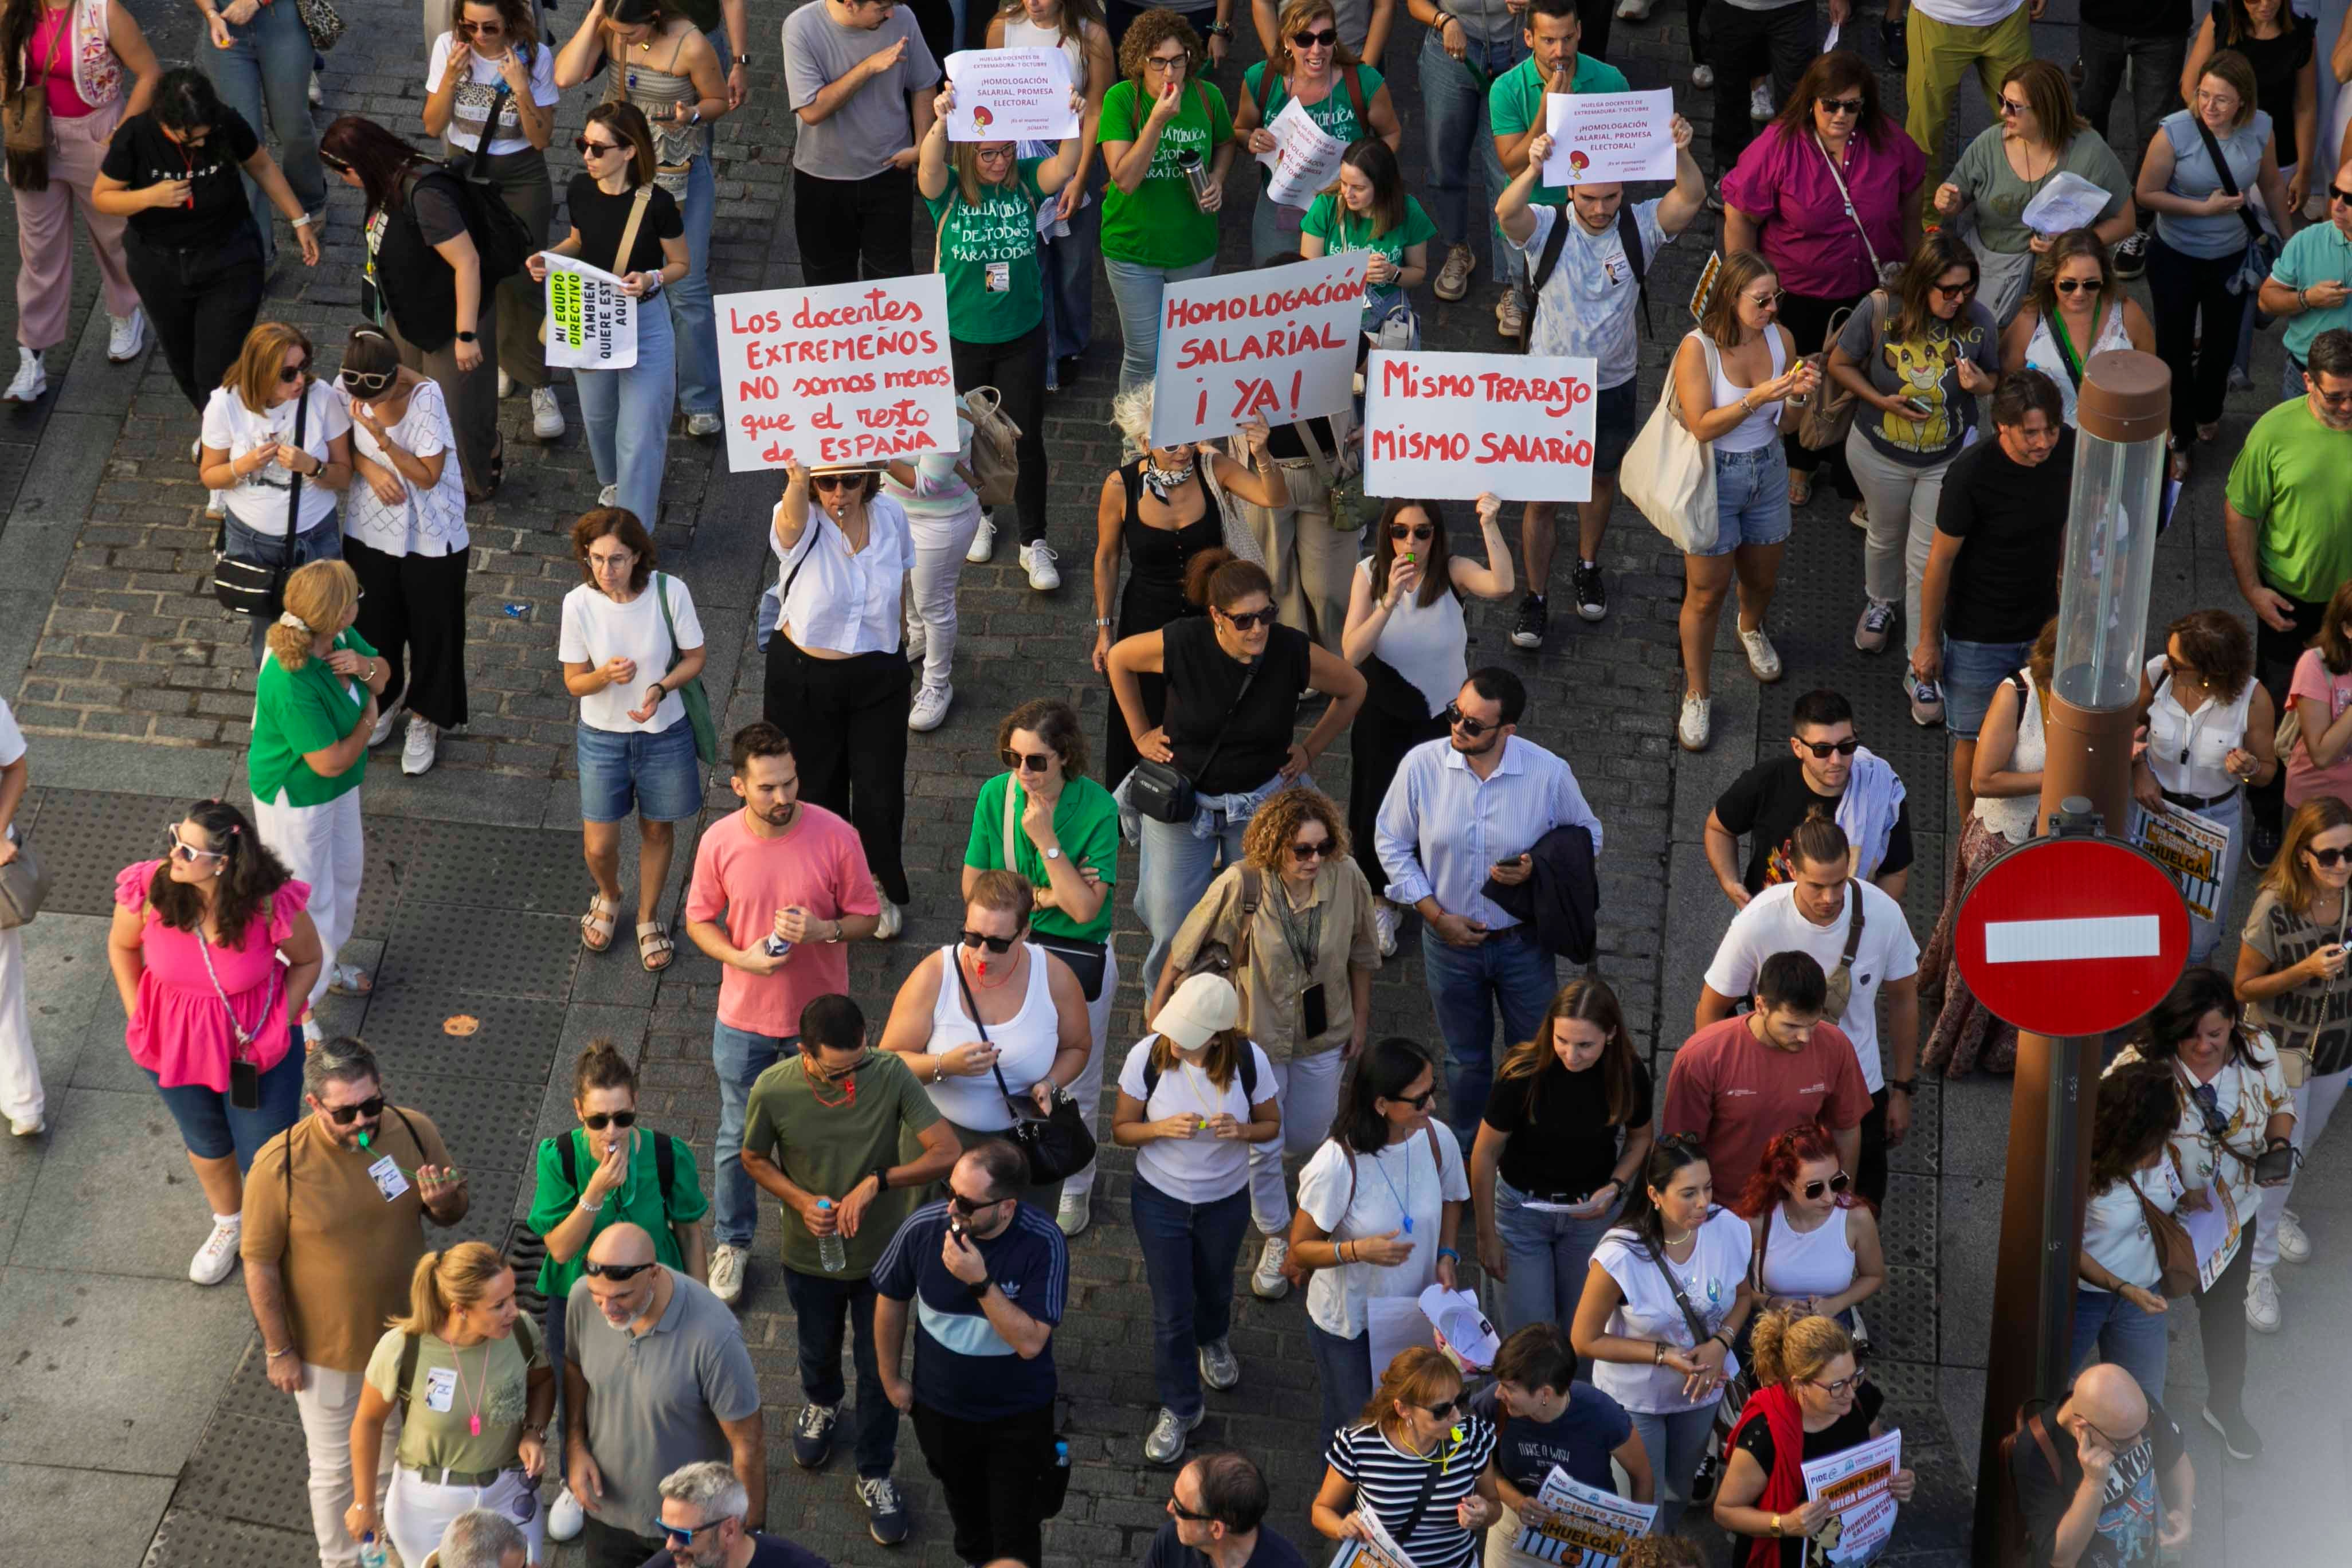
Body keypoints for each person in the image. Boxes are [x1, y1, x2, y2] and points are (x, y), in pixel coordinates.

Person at [242, 1040, 467, 1568]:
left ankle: (384, 1554)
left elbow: (454, 1209)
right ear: (314, 1105)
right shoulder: (280, 1165)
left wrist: (444, 1204)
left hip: (408, 1338)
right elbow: (259, 1263)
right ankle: (341, 1561)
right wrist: (279, 1350)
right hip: (327, 1353)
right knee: (335, 1472)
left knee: (396, 1460)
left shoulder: (412, 1129)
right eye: (345, 1113)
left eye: (371, 1105)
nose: (362, 1121)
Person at [740, 994, 956, 1546]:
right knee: (816, 1347)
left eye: (860, 1059)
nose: (854, 1075)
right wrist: (798, 1200)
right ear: (805, 1054)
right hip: (809, 1255)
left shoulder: (888, 1071)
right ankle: (822, 1401)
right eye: (839, 1069)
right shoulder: (774, 1089)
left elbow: (945, 1152)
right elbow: (753, 1158)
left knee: (880, 1370)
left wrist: (879, 1181)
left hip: (883, 1259)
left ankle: (875, 1470)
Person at [683, 721, 882, 1304]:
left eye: (790, 782)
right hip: (743, 1020)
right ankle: (734, 1242)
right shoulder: (719, 842)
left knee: (821, 1133)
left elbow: (867, 917)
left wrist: (825, 930)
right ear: (738, 786)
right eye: (767, 787)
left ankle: (822, 1226)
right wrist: (740, 957)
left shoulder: (837, 836)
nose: (783, 797)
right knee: (736, 1138)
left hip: (818, 1026)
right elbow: (699, 920)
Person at [1152, 786, 1377, 1295]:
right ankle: (1279, 1235)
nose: (1315, 859)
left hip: (1324, 1033)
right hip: (1255, 1035)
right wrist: (1160, 1009)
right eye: (1303, 850)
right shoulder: (1243, 882)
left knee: (1308, 1136)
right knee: (1263, 1144)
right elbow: (1185, 948)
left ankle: (1287, 1187)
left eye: (1323, 847)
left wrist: (1361, 1023)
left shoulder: (1347, 877)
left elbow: (1363, 954)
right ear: (1276, 847)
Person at [1109, 548, 1367, 990]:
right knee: (1172, 925)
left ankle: (1243, 1010)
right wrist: (1140, 734)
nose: (1258, 628)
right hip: (1184, 803)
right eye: (1244, 620)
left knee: (1259, 922)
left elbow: (1354, 688)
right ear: (1216, 616)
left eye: (1266, 614)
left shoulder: (1290, 649)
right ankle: (1167, 1012)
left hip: (1259, 804)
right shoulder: (1183, 642)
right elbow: (1119, 659)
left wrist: (1309, 750)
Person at [1495, 113, 1706, 644]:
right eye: (1589, 197)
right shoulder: (1548, 226)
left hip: (1613, 384)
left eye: (1611, 197)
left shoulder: (1639, 226)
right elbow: (1506, 213)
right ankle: (1535, 596)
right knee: (1541, 499)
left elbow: (1692, 196)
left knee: (1601, 479)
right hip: (1549, 389)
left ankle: (1588, 566)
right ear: (1569, 189)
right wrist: (1532, 168)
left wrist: (1681, 150)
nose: (1600, 208)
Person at [1375, 666, 1601, 1142]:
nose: (1458, 727)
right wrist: (1434, 915)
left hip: (1523, 942)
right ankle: (1466, 1145)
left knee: (1533, 1052)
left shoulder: (1547, 773)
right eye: (1455, 713)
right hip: (1448, 945)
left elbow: (1588, 836)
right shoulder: (1421, 766)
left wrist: (1536, 867)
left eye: (1474, 724)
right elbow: (1390, 842)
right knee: (1465, 1060)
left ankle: (1523, 1141)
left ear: (1507, 730)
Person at [109, 799, 319, 1280]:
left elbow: (308, 960)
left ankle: (273, 1230)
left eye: (188, 850)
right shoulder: (150, 887)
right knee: (205, 1138)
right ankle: (230, 1223)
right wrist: (139, 1015)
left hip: (255, 1050)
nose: (173, 855)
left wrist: (280, 1022)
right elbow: (122, 947)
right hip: (172, 1047)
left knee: (265, 1150)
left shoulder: (268, 902)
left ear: (223, 863)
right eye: (174, 839)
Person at [2105, 967, 2296, 1460]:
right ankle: (2126, 1418)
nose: (2203, 1045)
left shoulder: (2258, 1048)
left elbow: (2281, 1102)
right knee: (2136, 1322)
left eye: (2215, 1033)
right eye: (2190, 1034)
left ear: (2233, 1021)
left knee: (2226, 1320)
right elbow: (2106, 1140)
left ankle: (2226, 1406)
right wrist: (2167, 1185)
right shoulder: (2139, 1066)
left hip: (2231, 1220)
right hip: (2153, 1226)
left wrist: (2278, 1144)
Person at [1721, 54, 1923, 513]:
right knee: (1801, 381)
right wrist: (1744, 290)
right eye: (1830, 104)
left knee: (1867, 382)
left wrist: (1913, 268)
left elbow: (1913, 192)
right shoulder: (1779, 145)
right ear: (1811, 101)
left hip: (1868, 293)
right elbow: (1740, 213)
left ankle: (1856, 479)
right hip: (1797, 296)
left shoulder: (1888, 141)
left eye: (1852, 106)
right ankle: (1802, 460)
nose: (1840, 115)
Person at [527, 1039, 709, 1543]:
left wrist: (701, 1301)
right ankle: (573, 1476)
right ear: (578, 1111)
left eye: (623, 1118)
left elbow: (689, 1231)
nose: (612, 1131)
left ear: (636, 1106)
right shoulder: (561, 1157)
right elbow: (560, 1248)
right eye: (599, 1120)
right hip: (582, 1298)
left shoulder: (667, 1155)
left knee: (660, 1388)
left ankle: (668, 1478)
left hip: (654, 1294)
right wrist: (595, 1192)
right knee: (577, 1386)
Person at [93, 68, 316, 472]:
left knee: (216, 366)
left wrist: (299, 220)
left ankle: (226, 454)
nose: (200, 145)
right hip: (160, 264)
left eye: (204, 136)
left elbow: (261, 166)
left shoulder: (225, 123)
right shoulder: (136, 136)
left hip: (229, 258)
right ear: (164, 122)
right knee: (183, 362)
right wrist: (150, 196)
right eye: (190, 139)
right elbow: (103, 197)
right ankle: (219, 430)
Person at [1699, 815, 1920, 1207]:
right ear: (1792, 870)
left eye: (1839, 883)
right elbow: (1712, 1010)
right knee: (1768, 1196)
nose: (1830, 898)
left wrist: (1902, 1089)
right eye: (1817, 885)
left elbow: (1904, 999)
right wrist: (1724, 1091)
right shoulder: (1758, 922)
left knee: (1859, 1200)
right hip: (1776, 1085)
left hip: (1859, 1081)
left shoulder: (1884, 915)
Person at [873, 1141, 1071, 1568]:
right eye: (949, 1191)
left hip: (1018, 1417)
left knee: (1016, 1530)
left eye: (965, 1202)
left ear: (1007, 1207)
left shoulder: (1044, 1243)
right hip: (941, 1412)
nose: (951, 1208)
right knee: (967, 1514)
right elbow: (891, 1298)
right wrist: (891, 1381)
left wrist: (980, 1282)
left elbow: (1030, 1342)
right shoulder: (923, 1228)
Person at [916, 80, 1081, 592]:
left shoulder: (1026, 178)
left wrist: (1071, 120)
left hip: (1022, 333)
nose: (1000, 161)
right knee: (970, 438)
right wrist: (941, 122)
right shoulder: (948, 189)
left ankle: (1034, 541)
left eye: (1007, 150)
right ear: (969, 152)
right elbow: (927, 165)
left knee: (1026, 436)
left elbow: (1064, 167)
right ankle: (981, 517)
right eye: (988, 153)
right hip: (962, 335)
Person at [1112, 973, 1282, 1461]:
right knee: (1171, 1310)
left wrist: (1243, 1131)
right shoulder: (1147, 1056)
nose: (1175, 1041)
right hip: (1159, 1201)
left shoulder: (1249, 1061)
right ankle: (1181, 1406)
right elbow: (1122, 1130)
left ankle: (1213, 1339)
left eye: (1188, 1034)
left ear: (1218, 1036)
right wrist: (1161, 1129)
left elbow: (1272, 1125)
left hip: (1225, 1202)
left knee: (1215, 1285)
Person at [1092, 387, 1288, 792]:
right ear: (1144, 443)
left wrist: (1263, 453)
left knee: (1211, 711)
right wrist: (1104, 629)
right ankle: (1141, 798)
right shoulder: (1120, 486)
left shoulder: (1213, 467)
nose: (1183, 451)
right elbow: (1108, 558)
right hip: (1146, 616)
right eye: (1170, 444)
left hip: (1209, 617)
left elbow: (1274, 497)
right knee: (1144, 710)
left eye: (1188, 438)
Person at [1341, 496, 1514, 954]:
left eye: (1422, 532)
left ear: (1436, 536)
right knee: (1377, 805)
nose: (1411, 542)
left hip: (1443, 716)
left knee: (1442, 806)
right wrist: (1388, 600)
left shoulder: (1452, 572)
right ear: (1387, 533)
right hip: (1383, 713)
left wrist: (1490, 523)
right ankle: (1381, 899)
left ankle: (1437, 888)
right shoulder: (1369, 573)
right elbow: (1352, 652)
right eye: (1400, 532)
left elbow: (1502, 585)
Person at [1664, 250, 1821, 751]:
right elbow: (1701, 425)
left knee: (1761, 578)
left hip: (1768, 470)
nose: (1773, 308)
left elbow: (1788, 425)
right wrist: (1758, 396)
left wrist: (1797, 396)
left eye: (1777, 297)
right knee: (1705, 594)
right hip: (1714, 477)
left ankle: (1750, 627)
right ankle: (1697, 692)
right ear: (1731, 298)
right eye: (1762, 300)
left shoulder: (1782, 339)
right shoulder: (1698, 349)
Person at [555, 0, 732, 440]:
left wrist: (691, 115)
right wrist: (596, 15)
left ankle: (700, 400)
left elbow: (718, 101)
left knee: (687, 286)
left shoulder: (691, 43)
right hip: (621, 168)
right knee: (616, 268)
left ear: (652, 18)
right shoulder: (610, 26)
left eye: (629, 34)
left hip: (676, 168)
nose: (622, 40)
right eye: (616, 31)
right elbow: (565, 76)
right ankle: (628, 371)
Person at [1830, 233, 2000, 684]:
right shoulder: (1881, 309)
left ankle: (1919, 663)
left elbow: (1995, 378)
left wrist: (1981, 386)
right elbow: (1839, 364)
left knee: (1926, 559)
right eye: (1950, 290)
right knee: (1884, 536)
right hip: (1878, 451)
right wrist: (1880, 400)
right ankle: (1881, 602)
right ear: (1923, 284)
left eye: (1967, 288)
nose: (1960, 299)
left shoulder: (1979, 321)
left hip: (1946, 459)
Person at [1569, 1134, 1757, 1535]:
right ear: (1655, 1195)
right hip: (1635, 1399)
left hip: (1701, 1394)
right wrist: (1664, 1355)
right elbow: (1584, 1340)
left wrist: (1720, 1343)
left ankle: (1662, 1551)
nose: (1704, 1203)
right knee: (1641, 1505)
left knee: (1679, 1491)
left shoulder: (1728, 1229)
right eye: (1689, 1193)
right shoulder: (1620, 1254)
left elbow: (1743, 1297)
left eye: (1708, 1188)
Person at [1289, 1038, 1471, 1442]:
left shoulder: (1436, 1138)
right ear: (1382, 1104)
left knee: (1404, 1419)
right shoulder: (1338, 1162)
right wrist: (1357, 1251)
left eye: (1432, 1090)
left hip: (1413, 1314)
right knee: (1355, 1426)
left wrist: (1446, 1254)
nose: (1432, 1106)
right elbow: (1300, 1249)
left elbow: (1453, 1197)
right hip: (1351, 1325)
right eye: (1419, 1099)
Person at [763, 462, 918, 935]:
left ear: (867, 479)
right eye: (827, 482)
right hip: (804, 678)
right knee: (815, 790)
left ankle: (875, 885)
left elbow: (901, 580)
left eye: (850, 480)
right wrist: (798, 480)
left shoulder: (890, 516)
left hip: (879, 673)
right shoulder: (800, 513)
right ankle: (824, 886)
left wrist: (902, 639)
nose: (839, 492)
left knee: (879, 795)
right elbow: (788, 528)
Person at [879, 872, 1092, 1210]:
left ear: (1025, 932)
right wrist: (945, 1065)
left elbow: (1077, 1047)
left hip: (1021, 1144)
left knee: (1020, 1236)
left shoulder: (1055, 978)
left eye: (997, 943)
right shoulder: (935, 975)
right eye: (972, 937)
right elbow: (887, 1063)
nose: (981, 953)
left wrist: (1050, 1083)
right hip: (941, 1140)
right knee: (932, 1233)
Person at [320, 115, 503, 501]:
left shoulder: (424, 195)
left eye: (342, 173)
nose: (342, 181)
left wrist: (466, 334)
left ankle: (477, 477)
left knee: (457, 411)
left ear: (358, 165)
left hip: (450, 323)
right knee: (403, 393)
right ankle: (424, 463)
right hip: (410, 318)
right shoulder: (386, 184)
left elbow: (467, 262)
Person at [523, 103, 689, 528]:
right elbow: (579, 241)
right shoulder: (580, 189)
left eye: (598, 148)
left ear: (629, 151)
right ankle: (614, 482)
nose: (587, 155)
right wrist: (549, 257)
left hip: (645, 323)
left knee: (640, 432)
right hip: (592, 316)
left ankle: (634, 529)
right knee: (598, 419)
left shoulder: (659, 204)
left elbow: (681, 264)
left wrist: (651, 278)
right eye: (584, 144)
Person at [562, 1223, 764, 1568]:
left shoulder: (716, 1336)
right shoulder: (582, 1298)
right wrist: (576, 1447)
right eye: (599, 1296)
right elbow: (574, 1368)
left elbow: (748, 1445)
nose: (608, 1309)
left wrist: (749, 1542)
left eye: (622, 1297)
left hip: (690, 1528)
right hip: (606, 1512)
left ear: (654, 1275)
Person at [560, 508, 706, 975]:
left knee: (658, 831)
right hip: (602, 738)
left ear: (638, 556)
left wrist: (661, 688)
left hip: (664, 734)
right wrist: (604, 675)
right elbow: (574, 682)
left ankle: (647, 915)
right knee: (599, 845)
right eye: (597, 558)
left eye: (617, 559)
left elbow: (695, 658)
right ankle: (609, 893)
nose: (606, 570)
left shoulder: (670, 592)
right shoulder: (578, 604)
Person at [344, 1244, 555, 1568]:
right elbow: (368, 1422)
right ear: (460, 1310)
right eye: (499, 1305)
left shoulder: (521, 1332)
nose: (514, 1311)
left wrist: (534, 1432)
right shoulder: (404, 1347)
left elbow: (542, 1381)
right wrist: (363, 1503)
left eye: (513, 1296)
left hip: (509, 1491)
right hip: (429, 1505)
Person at [2227, 328, 2352, 866]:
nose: (2348, 407)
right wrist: (2253, 590)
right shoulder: (2274, 431)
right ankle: (2268, 817)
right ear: (2307, 382)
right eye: (2336, 397)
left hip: (2348, 607)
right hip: (2289, 601)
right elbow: (2241, 511)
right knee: (2279, 713)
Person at [2137, 50, 2290, 481]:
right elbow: (2146, 194)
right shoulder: (2174, 132)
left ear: (2243, 101)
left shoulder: (2261, 127)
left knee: (2223, 345)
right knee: (2173, 347)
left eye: (2222, 99)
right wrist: (2202, 209)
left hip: (2232, 257)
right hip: (2175, 255)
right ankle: (2180, 436)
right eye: (2204, 94)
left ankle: (2208, 410)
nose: (2209, 106)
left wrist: (2289, 241)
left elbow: (2271, 184)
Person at [1472, 978, 1655, 1338]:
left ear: (1611, 1034)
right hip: (1521, 1214)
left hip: (1589, 1216)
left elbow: (1640, 1138)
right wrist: (1486, 1236)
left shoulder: (1628, 1074)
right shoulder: (1522, 1073)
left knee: (1584, 1333)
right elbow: (1485, 1152)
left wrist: (1616, 1186)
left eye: (1585, 1045)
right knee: (1530, 1339)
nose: (1571, 1055)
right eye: (1562, 1040)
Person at [2232, 795, 2352, 1334]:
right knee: (2279, 1155)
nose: (2342, 865)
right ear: (2303, 854)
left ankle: (2272, 1218)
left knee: (2301, 1146)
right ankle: (2256, 1269)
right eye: (2329, 856)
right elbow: (2243, 987)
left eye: (2350, 853)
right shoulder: (2275, 906)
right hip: (2281, 1051)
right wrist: (2304, 970)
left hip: (2337, 1053)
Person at [1914, 367, 2072, 774]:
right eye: (2031, 433)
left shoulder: (2068, 450)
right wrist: (1928, 641)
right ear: (2002, 425)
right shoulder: (1970, 475)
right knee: (1974, 741)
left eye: (2051, 430)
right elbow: (1940, 561)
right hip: (1977, 636)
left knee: (2047, 734)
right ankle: (1969, 819)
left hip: (2041, 625)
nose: (2044, 442)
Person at [0, 0, 159, 403]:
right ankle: (32, 355)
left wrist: (119, 136)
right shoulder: (13, 7)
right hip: (32, 141)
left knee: (115, 235)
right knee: (39, 251)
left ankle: (125, 311)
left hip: (96, 134)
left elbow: (149, 73)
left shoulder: (104, 11)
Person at [1919, 619, 2057, 1076]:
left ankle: (2005, 1045)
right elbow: (1984, 779)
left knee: (2029, 953)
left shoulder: (2099, 707)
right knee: (1987, 952)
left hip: (2052, 854)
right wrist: (2057, 778)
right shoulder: (2017, 694)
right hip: (2005, 844)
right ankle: (1959, 1046)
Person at [249, 559, 380, 1027]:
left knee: (344, 876)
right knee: (302, 899)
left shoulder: (337, 639)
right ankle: (298, 1007)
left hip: (337, 788)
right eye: (354, 596)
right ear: (337, 614)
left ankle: (325, 964)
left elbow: (385, 678)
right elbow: (329, 761)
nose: (359, 600)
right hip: (297, 799)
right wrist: (370, 720)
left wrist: (365, 668)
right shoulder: (289, 678)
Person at [425, 0, 563, 442]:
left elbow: (541, 139)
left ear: (512, 21)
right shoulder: (449, 48)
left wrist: (521, 89)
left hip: (521, 174)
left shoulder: (535, 56)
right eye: (470, 27)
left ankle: (539, 382)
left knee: (526, 276)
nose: (480, 37)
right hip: (466, 170)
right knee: (477, 272)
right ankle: (503, 358)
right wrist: (450, 79)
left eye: (491, 28)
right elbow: (432, 126)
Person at [333, 327, 467, 778]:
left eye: (376, 399)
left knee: (434, 631)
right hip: (369, 529)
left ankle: (426, 718)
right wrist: (370, 469)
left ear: (394, 379)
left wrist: (384, 441)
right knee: (375, 624)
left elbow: (428, 476)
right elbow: (340, 446)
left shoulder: (426, 398)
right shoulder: (346, 385)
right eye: (361, 399)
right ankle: (385, 699)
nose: (366, 406)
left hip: (433, 533)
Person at [1930, 62, 2135, 327]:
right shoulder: (1989, 144)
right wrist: (1949, 201)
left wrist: (2072, 243)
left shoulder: (2092, 152)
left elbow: (2126, 222)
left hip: (2062, 282)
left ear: (2046, 110)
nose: (2003, 112)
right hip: (1993, 272)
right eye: (2002, 100)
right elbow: (1956, 196)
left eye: (2014, 106)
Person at [2130, 609, 2279, 962]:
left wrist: (2249, 769)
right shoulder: (2158, 674)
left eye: (2178, 664)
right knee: (2142, 912)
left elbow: (2267, 772)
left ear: (2213, 670)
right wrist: (2139, 767)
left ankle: (2194, 989)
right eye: (2169, 655)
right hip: (2152, 810)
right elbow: (2125, 727)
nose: (2168, 665)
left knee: (2198, 936)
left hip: (2214, 822)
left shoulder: (2253, 699)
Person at [985, 0, 1116, 395]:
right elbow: (990, 98)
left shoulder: (1092, 35)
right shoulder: (1002, 28)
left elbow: (1097, 111)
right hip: (1019, 160)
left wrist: (1080, 177)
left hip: (1072, 153)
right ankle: (1040, 351)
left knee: (1073, 262)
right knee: (1028, 257)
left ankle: (1071, 345)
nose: (1034, 3)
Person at [1712, 1308, 1916, 1564]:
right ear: (1801, 1385)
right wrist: (1785, 1524)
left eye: (1854, 1377)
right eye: (1836, 1386)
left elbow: (1875, 1449)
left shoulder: (1860, 1398)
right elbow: (1725, 1511)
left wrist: (1897, 1479)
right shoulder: (1766, 1435)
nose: (1850, 1393)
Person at [1664, 951, 1872, 1201]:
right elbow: (1682, 1146)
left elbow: (1846, 1129)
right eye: (1791, 1026)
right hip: (1723, 1206)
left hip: (1801, 1204)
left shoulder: (1836, 1046)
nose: (1805, 1037)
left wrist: (1841, 1198)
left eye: (1813, 1024)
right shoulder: (1703, 1056)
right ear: (1761, 1006)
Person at [1099, 9, 1234, 391]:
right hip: (1133, 250)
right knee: (1143, 356)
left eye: (1178, 60)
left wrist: (1218, 178)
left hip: (1193, 248)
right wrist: (1156, 121)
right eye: (1158, 62)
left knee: (1185, 353)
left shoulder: (1207, 96)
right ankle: (1134, 431)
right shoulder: (1122, 99)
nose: (1169, 72)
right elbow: (1125, 179)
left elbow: (1226, 143)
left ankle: (1178, 427)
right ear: (1140, 61)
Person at [199, 322, 354, 654]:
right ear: (262, 373)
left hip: (315, 537)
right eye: (287, 374)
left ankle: (323, 686)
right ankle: (274, 687)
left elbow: (344, 477)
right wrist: (243, 466)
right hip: (252, 540)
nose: (300, 380)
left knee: (328, 629)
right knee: (269, 640)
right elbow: (210, 475)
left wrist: (312, 467)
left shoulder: (321, 397)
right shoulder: (225, 404)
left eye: (304, 367)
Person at [2184, 0, 2316, 386]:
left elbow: (2305, 106)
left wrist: (2305, 170)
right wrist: (2214, 136)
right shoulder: (2221, 19)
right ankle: (2214, 343)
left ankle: (2242, 330)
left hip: (2279, 160)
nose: (2265, 4)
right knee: (2217, 251)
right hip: (2223, 156)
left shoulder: (2301, 36)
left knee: (2262, 253)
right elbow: (2190, 86)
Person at [1484, 0, 1628, 339]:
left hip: (1593, 215)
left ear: (1579, 32)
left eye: (1567, 38)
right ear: (1529, 38)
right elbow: (1512, 165)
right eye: (1549, 40)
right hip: (1534, 215)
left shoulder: (1611, 80)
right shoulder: (1506, 88)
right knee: (1532, 304)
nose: (1560, 51)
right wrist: (1547, 112)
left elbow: (1625, 155)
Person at [779, 0, 939, 289]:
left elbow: (924, 83)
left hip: (889, 175)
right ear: (851, 4)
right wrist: (867, 67)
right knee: (828, 285)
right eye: (882, 8)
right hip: (821, 181)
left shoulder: (902, 18)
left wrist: (920, 147)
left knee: (893, 282)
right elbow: (812, 111)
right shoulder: (800, 27)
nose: (890, 14)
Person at [1705, 688, 1915, 904]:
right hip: (1766, 912)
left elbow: (1895, 873)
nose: (1836, 760)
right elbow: (1718, 829)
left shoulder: (1881, 794)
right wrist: (1730, 883)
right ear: (1797, 747)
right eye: (1822, 750)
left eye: (1846, 746)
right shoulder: (1768, 781)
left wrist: (1864, 918)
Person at [1469, 1323, 1652, 1568]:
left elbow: (1642, 1476)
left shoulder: (1602, 1414)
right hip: (1515, 1530)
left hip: (1587, 1537)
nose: (1498, 1393)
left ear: (1545, 1394)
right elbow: (1479, 1465)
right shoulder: (1494, 1406)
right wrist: (1516, 1501)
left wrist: (1636, 1545)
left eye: (1510, 1388)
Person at [1233, 0, 1400, 262]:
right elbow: (1240, 130)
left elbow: (1391, 133)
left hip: (1345, 207)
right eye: (1304, 39)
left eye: (1326, 38)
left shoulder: (1364, 82)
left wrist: (1371, 172)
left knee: (1340, 285)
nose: (1316, 49)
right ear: (1287, 42)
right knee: (1276, 281)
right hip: (1282, 206)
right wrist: (1251, 140)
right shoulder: (1261, 79)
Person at [1310, 1347, 1501, 1568]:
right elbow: (1321, 1509)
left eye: (1460, 1401)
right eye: (1442, 1410)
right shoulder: (1359, 1444)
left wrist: (1485, 1514)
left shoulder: (1473, 1437)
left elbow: (1494, 1505)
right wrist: (1340, 1527)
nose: (1457, 1417)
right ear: (1403, 1409)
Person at [1403, 0, 1527, 319]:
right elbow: (1415, 4)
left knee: (1508, 172)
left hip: (1517, 49)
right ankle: (1457, 248)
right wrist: (1443, 20)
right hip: (1452, 50)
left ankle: (1514, 282)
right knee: (1445, 162)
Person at [2008, 1363, 2195, 1568]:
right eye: (2123, 1441)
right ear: (2082, 1429)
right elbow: (2062, 1558)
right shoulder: (2035, 1451)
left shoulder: (2136, 1413)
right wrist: (2093, 1483)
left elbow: (2175, 1458)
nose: (2140, 1443)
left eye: (2143, 1430)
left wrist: (2183, 1511)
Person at [2069, 1057, 2179, 1402]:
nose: (2163, 1146)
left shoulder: (2163, 1150)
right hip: (2083, 1298)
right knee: (2046, 1393)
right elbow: (2068, 1247)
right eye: (2157, 1139)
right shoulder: (2083, 1169)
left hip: (2143, 1294)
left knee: (2145, 1403)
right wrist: (2122, 1288)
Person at [190, 0, 327, 272]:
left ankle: (311, 198)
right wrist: (211, 14)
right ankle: (259, 252)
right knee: (243, 142)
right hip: (226, 29)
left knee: (293, 127)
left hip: (282, 24)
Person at [1731, 1123, 1887, 1336]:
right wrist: (1771, 1303)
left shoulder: (1856, 1217)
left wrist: (1836, 1304)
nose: (1830, 1198)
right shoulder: (1758, 1222)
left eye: (1837, 1182)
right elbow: (1734, 1290)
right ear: (1786, 1183)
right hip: (1773, 1327)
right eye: (1815, 1189)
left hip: (1832, 1325)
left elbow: (1874, 1276)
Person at [2000, 231, 2154, 430]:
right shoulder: (2030, 321)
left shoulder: (2128, 315)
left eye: (2091, 284)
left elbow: (2152, 387)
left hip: (2117, 436)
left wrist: (2166, 442)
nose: (2079, 293)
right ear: (2052, 278)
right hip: (2049, 443)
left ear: (2104, 279)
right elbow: (2005, 394)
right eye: (2068, 285)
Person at [887, 410, 982, 731]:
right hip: (895, 509)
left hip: (941, 521)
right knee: (902, 584)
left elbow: (925, 483)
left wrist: (878, 456)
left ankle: (937, 685)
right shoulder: (881, 397)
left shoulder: (947, 411)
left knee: (934, 604)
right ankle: (919, 638)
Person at [1301, 136, 1433, 364]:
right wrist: (1355, 272)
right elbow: (1306, 273)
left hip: (1387, 319)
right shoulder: (1326, 206)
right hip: (1334, 313)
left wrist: (1393, 273)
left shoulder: (1409, 212)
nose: (1347, 193)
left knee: (1389, 377)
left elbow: (1418, 273)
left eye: (1359, 188)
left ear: (1382, 185)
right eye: (1344, 183)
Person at [1902, 0, 2035, 195]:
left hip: (2008, 18)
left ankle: (2007, 203)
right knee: (1925, 133)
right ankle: (1925, 213)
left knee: (2026, 123)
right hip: (1938, 21)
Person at [1691, 0, 1818, 187]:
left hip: (1794, 8)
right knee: (1729, 94)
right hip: (1728, 8)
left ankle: (1790, 176)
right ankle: (1733, 170)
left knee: (1798, 99)